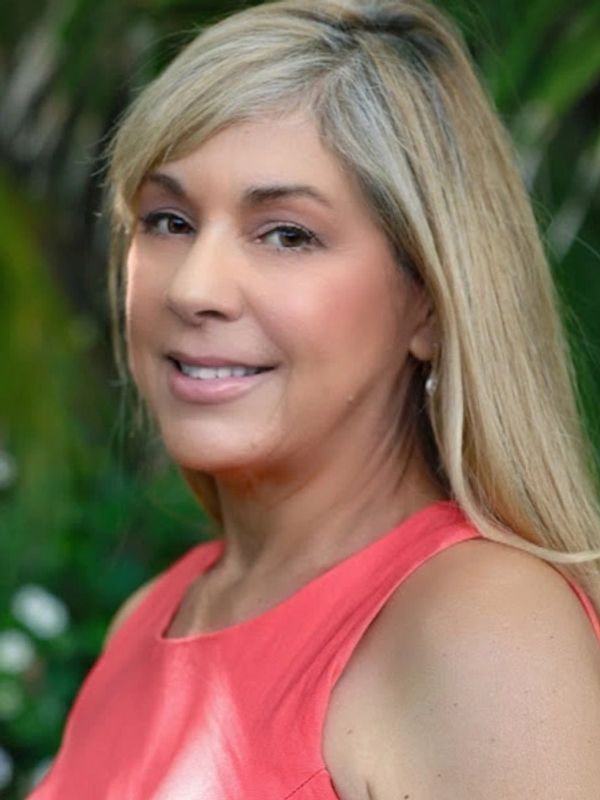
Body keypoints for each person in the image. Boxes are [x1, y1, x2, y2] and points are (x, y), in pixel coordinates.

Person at [30, 0, 600, 797]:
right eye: (168, 220)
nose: (195, 287)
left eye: (287, 234)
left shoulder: (482, 628)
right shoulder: (149, 620)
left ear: (429, 303)